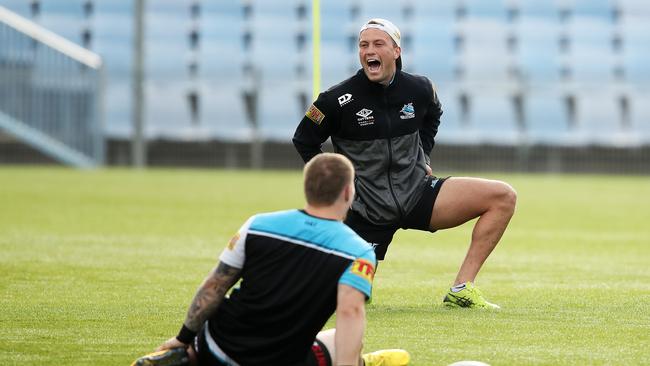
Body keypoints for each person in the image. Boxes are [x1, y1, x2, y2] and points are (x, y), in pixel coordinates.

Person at [293, 19, 517, 309]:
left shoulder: (420, 88)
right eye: (363, 45)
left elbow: (433, 114)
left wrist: (423, 155)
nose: (369, 50)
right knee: (350, 297)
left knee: (503, 196)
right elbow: (304, 140)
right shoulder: (335, 99)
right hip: (365, 209)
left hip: (417, 193)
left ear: (396, 50)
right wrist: (334, 187)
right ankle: (358, 278)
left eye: (378, 44)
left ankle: (461, 288)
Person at [131, 153, 410, 366]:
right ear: (349, 193)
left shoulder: (258, 224)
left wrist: (181, 339)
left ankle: (189, 356)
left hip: (218, 344)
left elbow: (215, 285)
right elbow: (351, 314)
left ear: (307, 187)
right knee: (338, 340)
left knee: (208, 347)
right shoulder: (358, 251)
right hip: (280, 359)